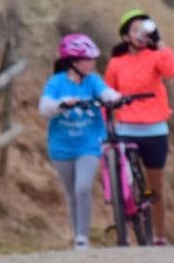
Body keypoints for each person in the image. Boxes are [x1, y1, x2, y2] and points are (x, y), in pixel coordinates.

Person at [105, 9, 174, 245]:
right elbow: (107, 92)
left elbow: (172, 71)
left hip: (155, 130)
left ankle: (158, 234)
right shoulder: (117, 63)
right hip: (126, 129)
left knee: (153, 186)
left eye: (144, 29)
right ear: (126, 37)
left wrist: (161, 45)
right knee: (124, 179)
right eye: (134, 30)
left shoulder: (156, 55)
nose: (141, 34)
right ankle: (126, 219)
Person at [39, 33, 121, 250]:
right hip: (61, 148)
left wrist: (114, 98)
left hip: (89, 145)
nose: (92, 63)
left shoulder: (93, 81)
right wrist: (62, 104)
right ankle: (77, 234)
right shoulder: (56, 83)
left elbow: (106, 93)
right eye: (88, 59)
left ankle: (83, 237)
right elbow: (44, 108)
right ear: (73, 62)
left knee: (82, 188)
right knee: (70, 192)